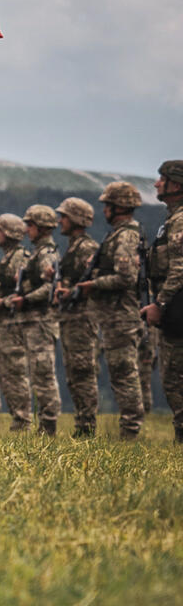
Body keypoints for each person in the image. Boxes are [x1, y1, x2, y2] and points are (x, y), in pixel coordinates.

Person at [77, 182, 145, 439]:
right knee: (120, 374)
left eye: (107, 205)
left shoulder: (126, 235)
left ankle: (130, 433)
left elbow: (125, 277)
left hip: (122, 316)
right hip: (113, 316)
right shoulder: (118, 234)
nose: (103, 209)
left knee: (124, 374)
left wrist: (92, 284)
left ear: (118, 206)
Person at [140, 160, 183, 443]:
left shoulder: (180, 221)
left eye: (161, 179)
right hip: (175, 310)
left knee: (176, 381)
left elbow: (180, 266)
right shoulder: (172, 220)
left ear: (176, 185)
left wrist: (160, 304)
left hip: (176, 311)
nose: (156, 184)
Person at [10, 205, 61, 435]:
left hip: (41, 322)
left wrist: (26, 299)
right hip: (32, 322)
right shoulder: (38, 254)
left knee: (43, 374)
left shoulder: (46, 255)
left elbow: (50, 287)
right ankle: (44, 424)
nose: (26, 229)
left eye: (30, 225)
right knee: (37, 373)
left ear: (40, 228)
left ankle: (48, 425)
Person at [52, 197, 100, 437]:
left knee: (83, 371)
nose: (60, 220)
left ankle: (87, 426)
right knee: (73, 373)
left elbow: (92, 283)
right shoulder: (72, 248)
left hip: (83, 318)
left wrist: (72, 291)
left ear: (77, 219)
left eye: (65, 216)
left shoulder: (86, 248)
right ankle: (82, 425)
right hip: (70, 317)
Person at [0, 213, 32, 431]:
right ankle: (17, 418)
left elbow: (24, 291)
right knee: (5, 372)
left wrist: (2, 302)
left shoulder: (21, 258)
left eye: (0, 230)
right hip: (1, 323)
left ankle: (23, 420)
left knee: (15, 371)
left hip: (13, 323)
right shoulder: (5, 257)